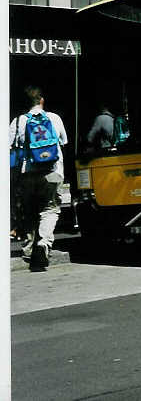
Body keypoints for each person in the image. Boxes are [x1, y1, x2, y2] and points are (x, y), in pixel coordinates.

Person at [9, 86, 68, 271]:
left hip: (27, 173)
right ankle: (43, 244)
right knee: (50, 209)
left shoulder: (18, 121)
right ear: (41, 100)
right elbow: (64, 141)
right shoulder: (54, 118)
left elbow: (10, 147)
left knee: (29, 210)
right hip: (52, 171)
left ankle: (28, 249)